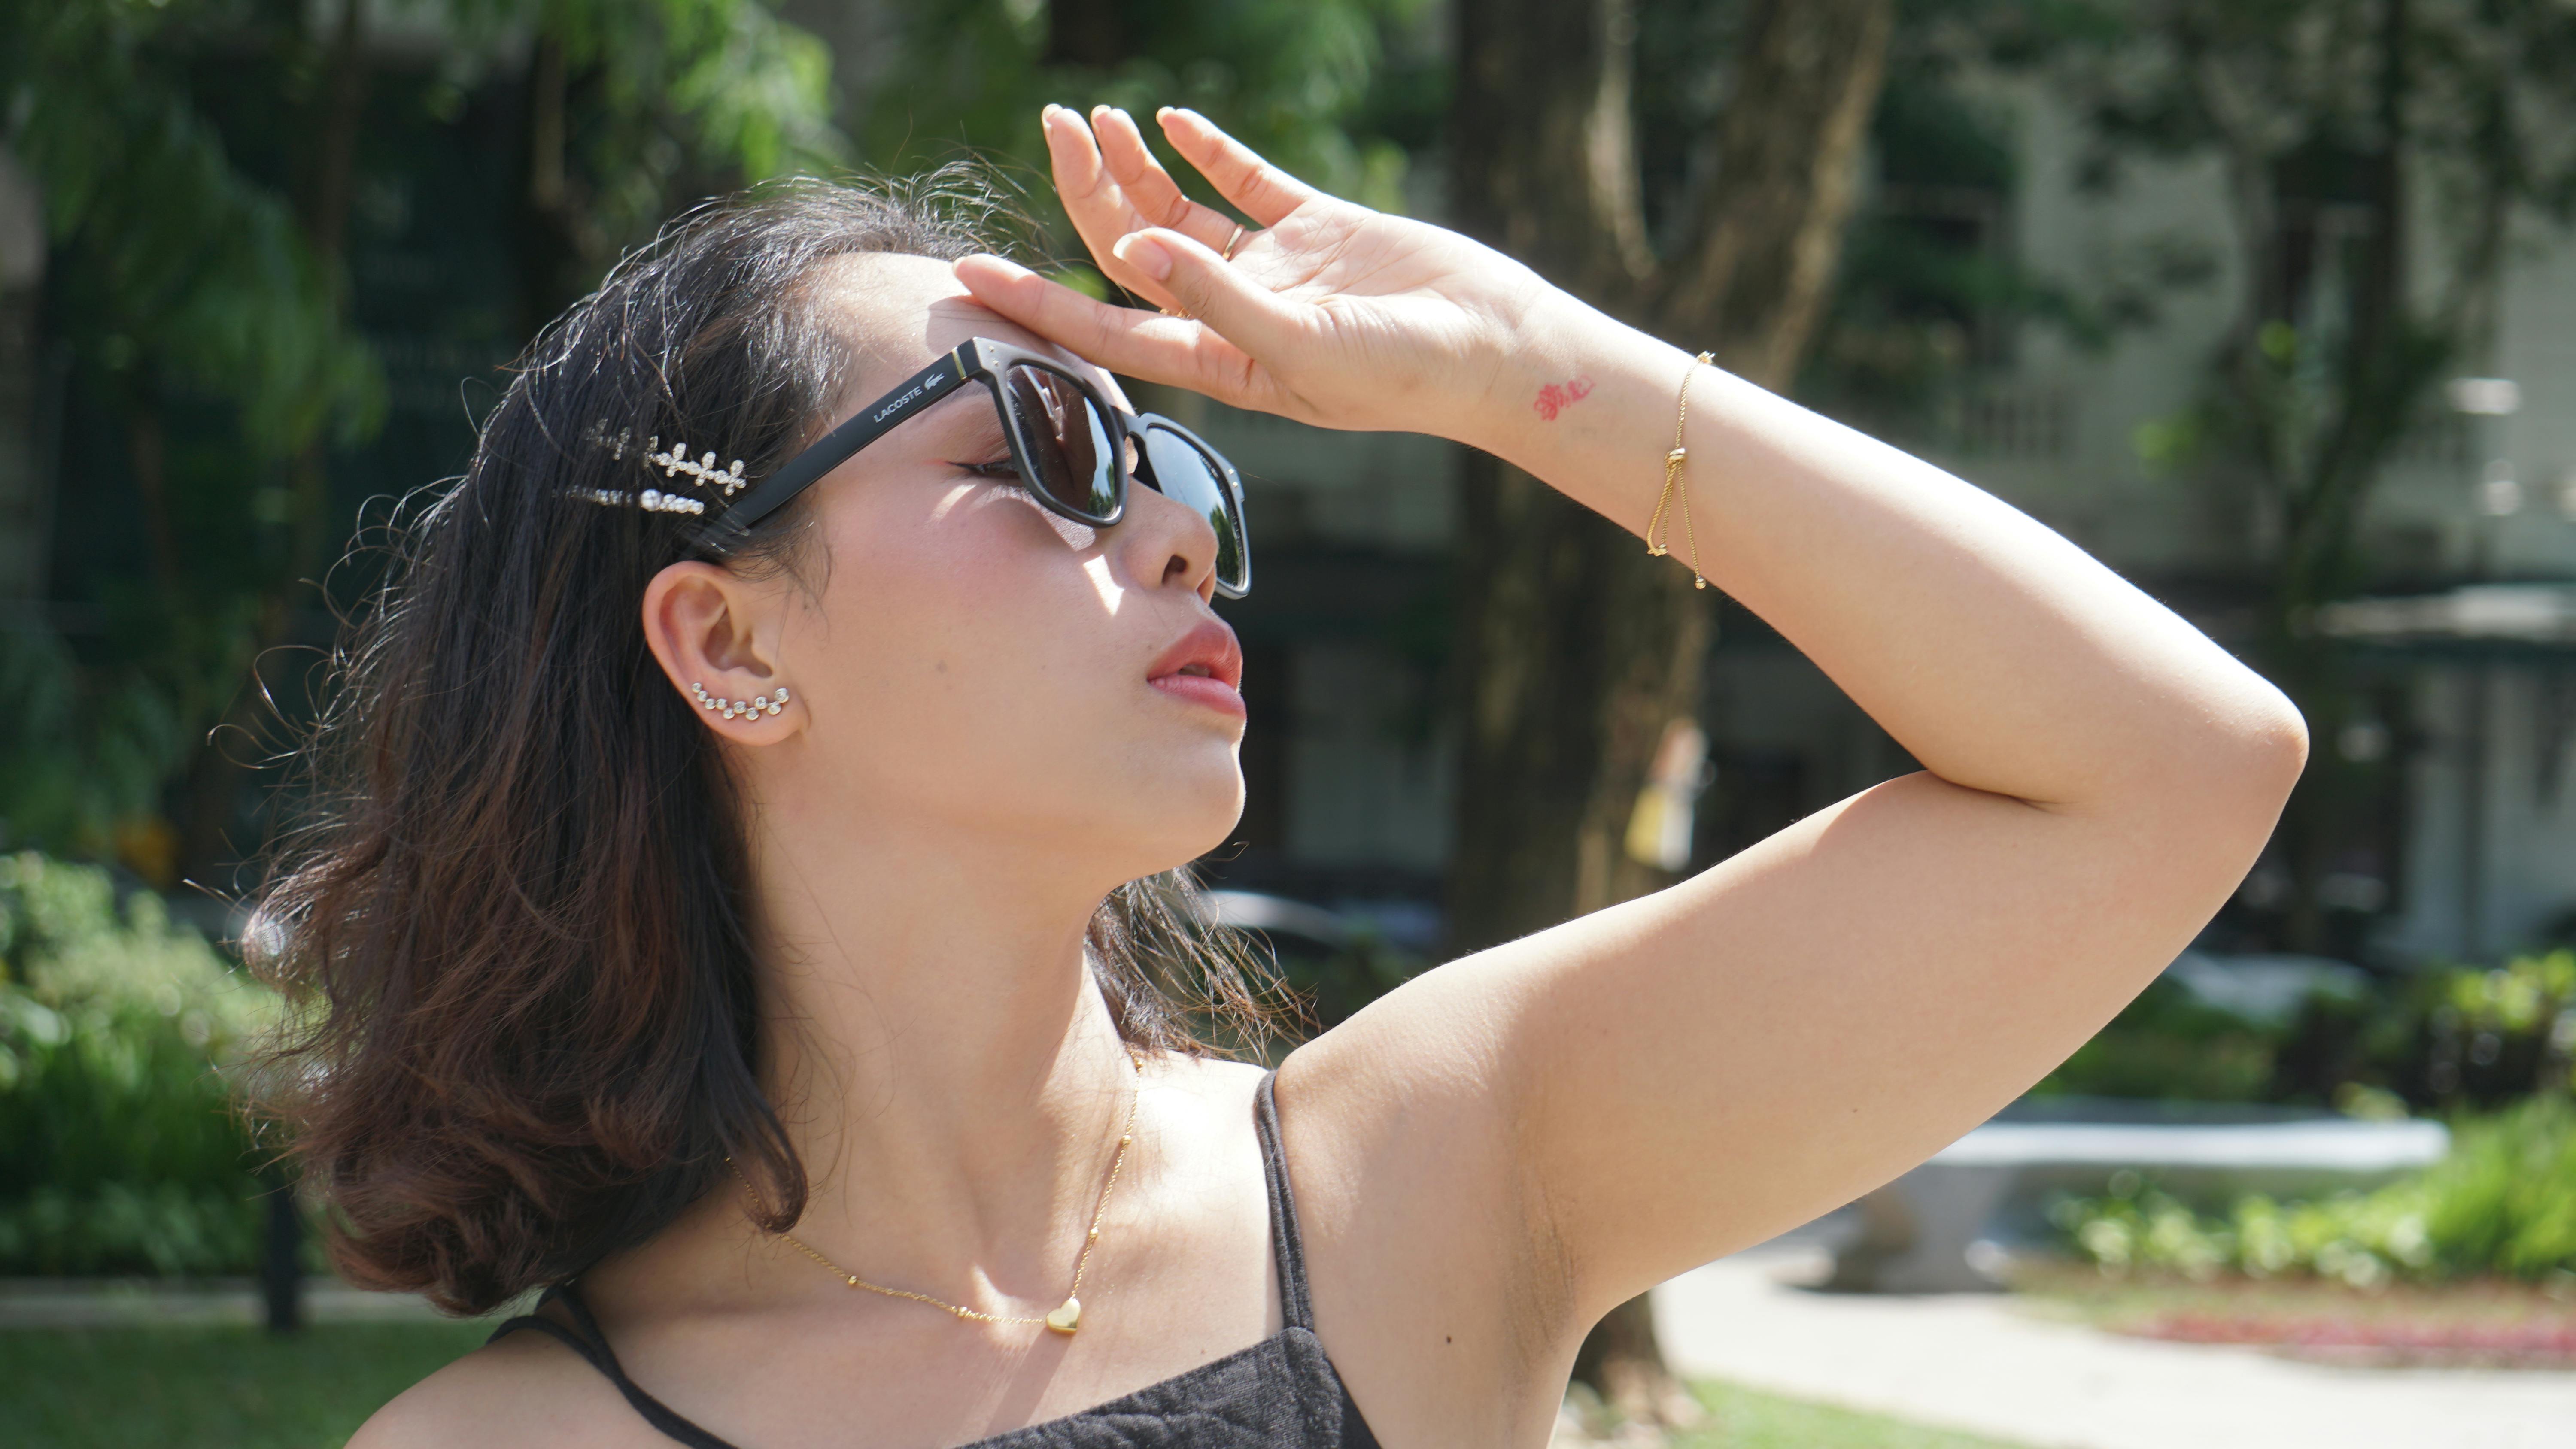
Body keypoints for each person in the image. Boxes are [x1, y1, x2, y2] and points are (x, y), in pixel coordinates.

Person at [292, 104, 2303, 1449]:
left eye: (1172, 464)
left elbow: (2170, 768)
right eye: (1048, 456)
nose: (1174, 532)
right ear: (729, 643)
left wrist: (1533, 363)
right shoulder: (506, 1442)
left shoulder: (1427, 1175)